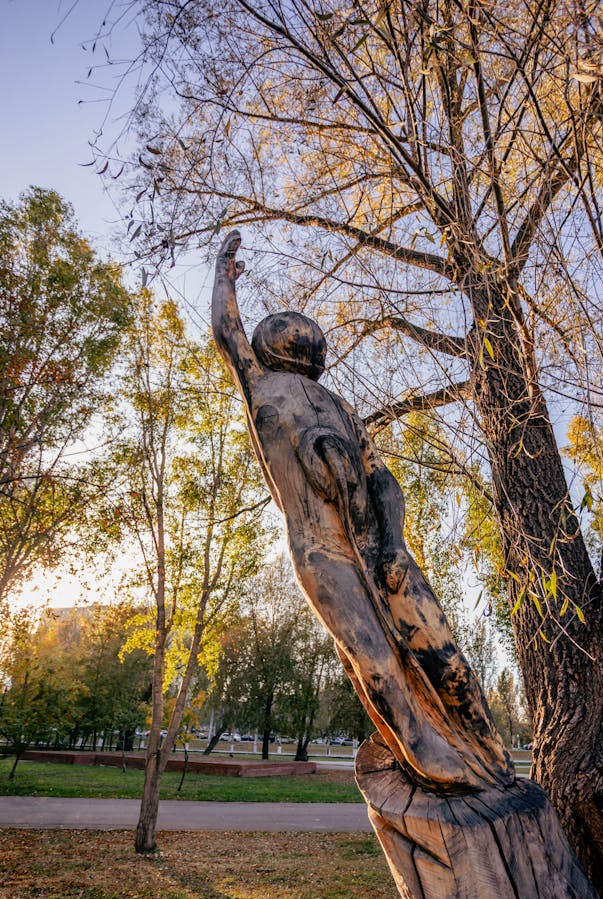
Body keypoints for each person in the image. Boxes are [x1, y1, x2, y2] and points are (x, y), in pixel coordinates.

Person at [212, 230, 513, 792]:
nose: (299, 336)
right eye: (289, 331)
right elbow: (227, 333)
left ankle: (491, 756)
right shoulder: (261, 386)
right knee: (375, 660)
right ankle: (428, 755)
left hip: (380, 547)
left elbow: (382, 478)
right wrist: (223, 275)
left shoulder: (340, 405)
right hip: (321, 550)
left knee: (445, 657)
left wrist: (394, 543)